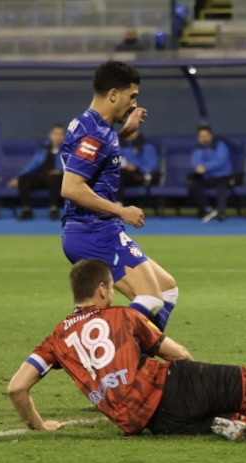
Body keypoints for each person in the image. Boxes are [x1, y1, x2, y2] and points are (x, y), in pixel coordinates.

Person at [6, 259, 246, 441]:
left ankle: (234, 425)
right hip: (177, 385)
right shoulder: (123, 316)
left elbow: (16, 388)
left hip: (146, 423)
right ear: (102, 290)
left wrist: (38, 425)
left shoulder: (56, 339)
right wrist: (204, 382)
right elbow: (176, 353)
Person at [61, 60, 178, 333]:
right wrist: (122, 211)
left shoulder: (89, 124)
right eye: (132, 96)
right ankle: (101, 348)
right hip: (93, 230)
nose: (134, 103)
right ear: (114, 94)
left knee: (167, 290)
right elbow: (71, 188)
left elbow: (99, 154)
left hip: (97, 228)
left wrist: (124, 132)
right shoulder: (95, 134)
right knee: (150, 298)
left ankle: (138, 354)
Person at [7, 124, 65, 220]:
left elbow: (68, 166)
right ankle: (26, 211)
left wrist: (60, 171)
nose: (57, 136)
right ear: (50, 135)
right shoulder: (43, 149)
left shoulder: (66, 150)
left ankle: (53, 210)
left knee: (54, 178)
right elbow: (32, 165)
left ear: (64, 137)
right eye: (55, 133)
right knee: (24, 179)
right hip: (41, 177)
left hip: (56, 178)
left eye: (60, 134)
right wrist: (18, 178)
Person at [188, 125, 232, 223]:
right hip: (206, 177)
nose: (203, 138)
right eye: (201, 136)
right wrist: (198, 168)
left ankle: (221, 212)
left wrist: (206, 167)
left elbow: (221, 161)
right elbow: (194, 163)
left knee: (222, 186)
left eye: (205, 136)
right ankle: (208, 210)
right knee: (194, 185)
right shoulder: (198, 148)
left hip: (221, 176)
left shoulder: (220, 145)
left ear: (210, 136)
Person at [118, 130, 159, 205]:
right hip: (128, 175)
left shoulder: (148, 147)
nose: (129, 134)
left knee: (122, 175)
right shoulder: (124, 147)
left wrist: (136, 167)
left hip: (143, 176)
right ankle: (114, 202)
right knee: (117, 174)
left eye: (133, 131)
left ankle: (118, 202)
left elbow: (152, 167)